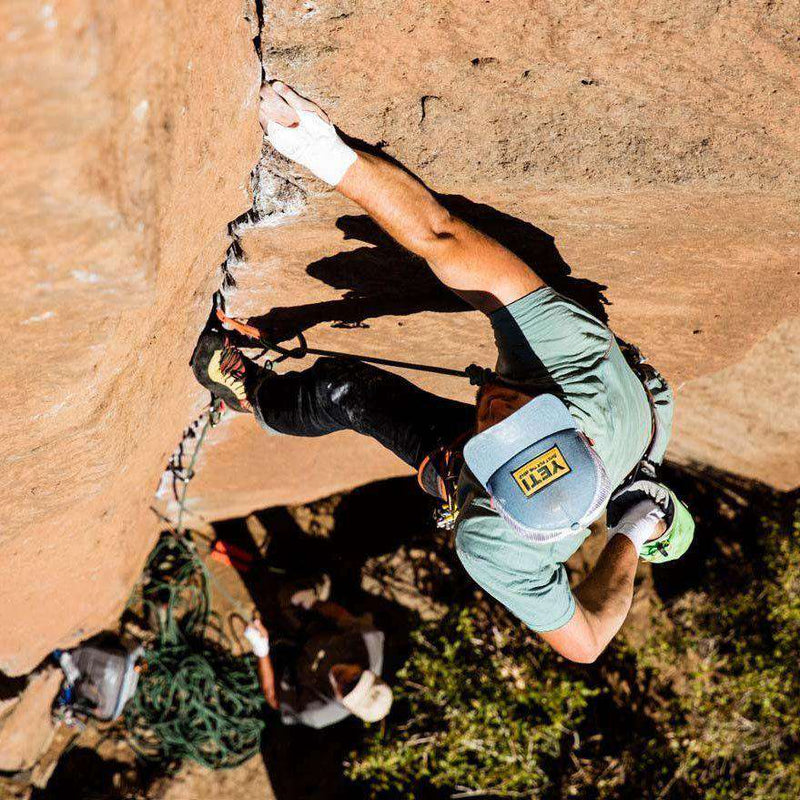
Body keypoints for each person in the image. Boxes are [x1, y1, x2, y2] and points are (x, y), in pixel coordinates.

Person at [192, 81, 695, 665]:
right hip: (579, 414)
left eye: (495, 437)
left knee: (346, 391)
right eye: (521, 416)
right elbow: (443, 236)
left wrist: (627, 537)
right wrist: (325, 151)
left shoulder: (495, 543)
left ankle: (250, 394)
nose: (495, 411)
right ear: (569, 426)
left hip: (508, 482)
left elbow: (587, 643)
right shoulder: (583, 370)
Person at [242, 580, 392, 729]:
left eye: (347, 692)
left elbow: (274, 698)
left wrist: (262, 650)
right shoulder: (367, 639)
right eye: (355, 680)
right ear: (367, 672)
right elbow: (342, 617)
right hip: (314, 632)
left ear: (348, 708)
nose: (344, 681)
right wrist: (311, 603)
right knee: (285, 594)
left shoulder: (316, 713)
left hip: (290, 669)